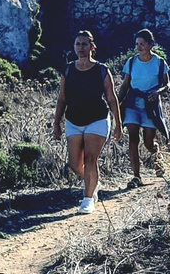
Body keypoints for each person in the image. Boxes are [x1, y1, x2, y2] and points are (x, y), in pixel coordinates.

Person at [53, 30, 123, 214]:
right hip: (73, 120)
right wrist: (56, 123)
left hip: (97, 119)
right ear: (74, 47)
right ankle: (93, 182)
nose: (81, 48)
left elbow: (111, 98)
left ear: (92, 47)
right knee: (75, 164)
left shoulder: (101, 69)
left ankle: (88, 199)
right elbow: (62, 99)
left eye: (85, 44)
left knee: (90, 159)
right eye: (78, 44)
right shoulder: (67, 69)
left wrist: (118, 123)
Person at [117, 29, 170, 188]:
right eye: (137, 44)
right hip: (133, 103)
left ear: (151, 45)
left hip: (151, 104)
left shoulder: (160, 63)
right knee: (133, 139)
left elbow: (167, 84)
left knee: (149, 142)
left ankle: (158, 156)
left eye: (142, 44)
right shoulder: (132, 62)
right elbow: (125, 85)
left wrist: (158, 92)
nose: (139, 47)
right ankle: (136, 176)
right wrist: (117, 103)